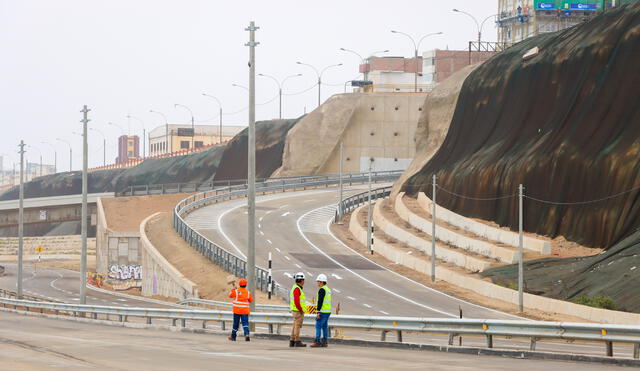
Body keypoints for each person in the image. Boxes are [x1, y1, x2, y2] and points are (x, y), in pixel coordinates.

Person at [310, 274, 332, 348]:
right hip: (327, 311)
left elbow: (320, 301)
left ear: (322, 282)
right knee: (325, 326)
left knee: (318, 326)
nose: (317, 282)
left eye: (318, 281)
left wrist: (318, 312)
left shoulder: (322, 289)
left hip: (322, 311)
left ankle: (317, 341)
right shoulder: (328, 289)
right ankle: (324, 341)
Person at [289, 272, 307, 347]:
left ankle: (292, 340)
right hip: (298, 310)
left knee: (295, 325)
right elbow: (297, 301)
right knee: (297, 326)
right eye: (303, 280)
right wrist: (300, 309)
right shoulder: (297, 289)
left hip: (295, 310)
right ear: (301, 280)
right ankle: (297, 340)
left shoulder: (295, 287)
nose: (304, 282)